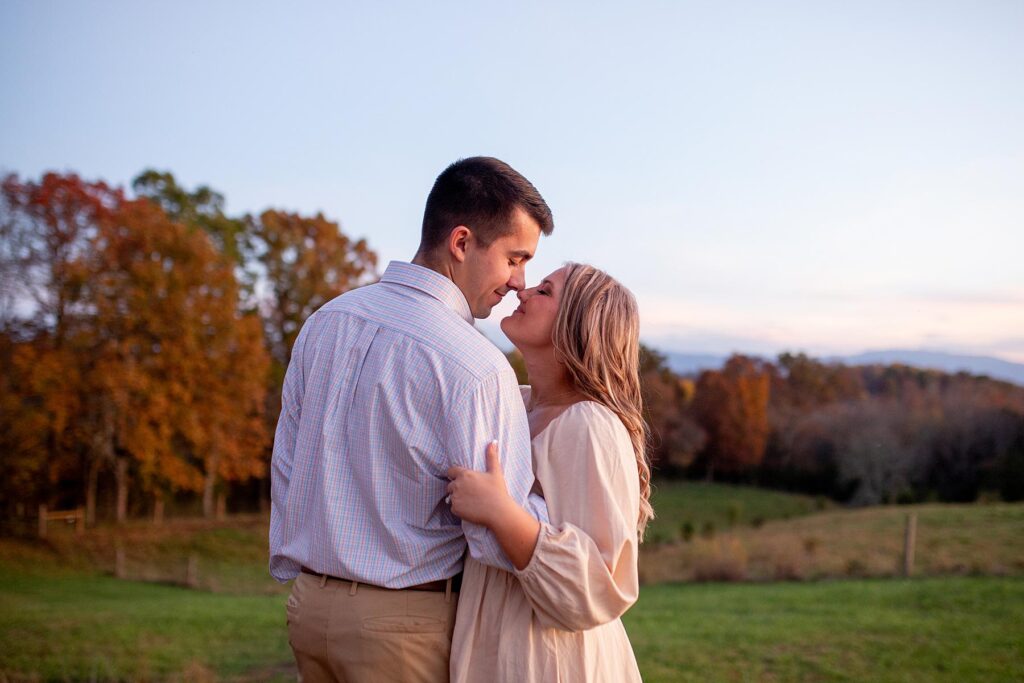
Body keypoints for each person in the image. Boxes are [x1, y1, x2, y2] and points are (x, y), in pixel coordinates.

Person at [269, 156, 554, 682]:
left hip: (308, 611)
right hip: (405, 629)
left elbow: (287, 466)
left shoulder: (324, 323)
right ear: (462, 243)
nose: (519, 281)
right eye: (515, 258)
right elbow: (495, 538)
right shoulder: (476, 365)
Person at [446, 263, 652, 682]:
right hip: (489, 640)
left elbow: (596, 586)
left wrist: (501, 513)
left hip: (549, 658)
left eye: (544, 291)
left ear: (577, 324)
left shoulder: (590, 425)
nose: (522, 291)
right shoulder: (512, 405)